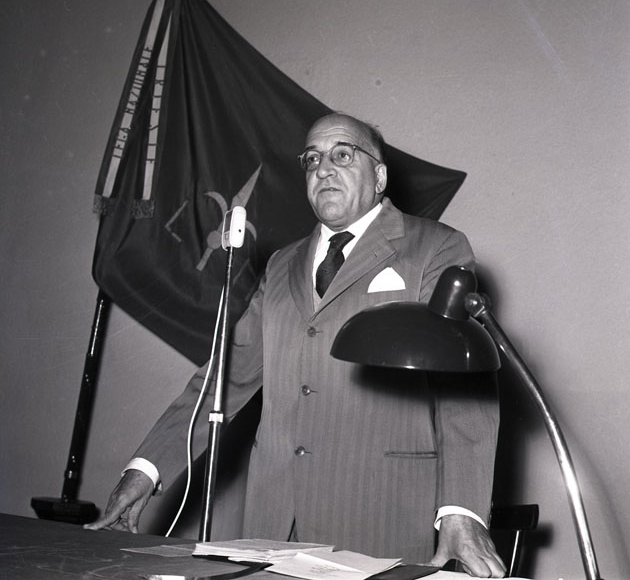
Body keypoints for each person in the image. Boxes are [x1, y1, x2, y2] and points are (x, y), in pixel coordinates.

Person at [86, 113, 505, 578]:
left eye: (342, 154)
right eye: (312, 159)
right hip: (273, 525)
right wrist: (145, 470)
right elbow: (225, 377)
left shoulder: (435, 248)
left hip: (380, 515)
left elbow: (464, 391)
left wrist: (462, 512)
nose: (323, 168)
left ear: (380, 177)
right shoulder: (282, 263)